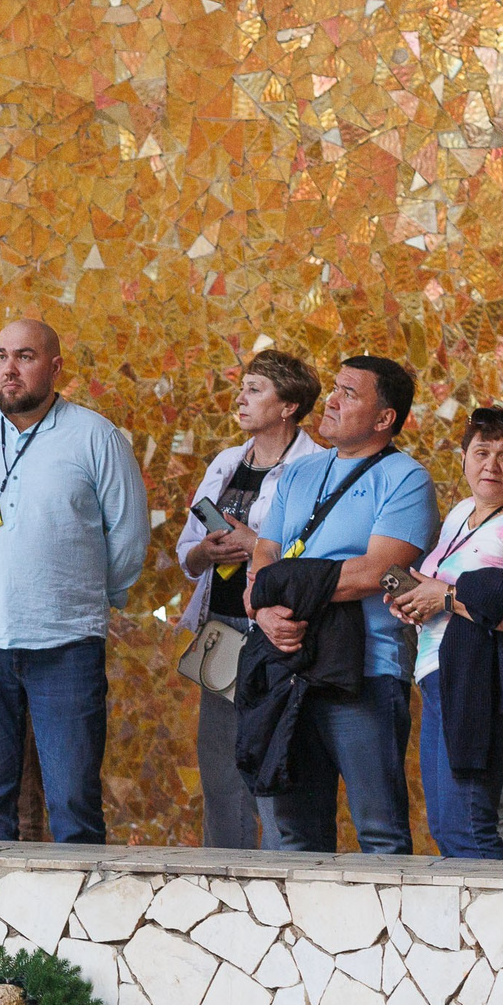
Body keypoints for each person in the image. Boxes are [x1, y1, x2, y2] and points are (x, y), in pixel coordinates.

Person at [0, 320, 149, 844]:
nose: (9, 368)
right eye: (1, 356)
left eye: (25, 356)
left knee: (73, 801)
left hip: (66, 642)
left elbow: (127, 537)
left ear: (55, 367)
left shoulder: (96, 436)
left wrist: (82, 596)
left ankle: (82, 925)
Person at [244, 358, 438, 853]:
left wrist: (278, 588)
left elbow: (376, 573)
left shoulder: (405, 477)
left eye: (348, 393)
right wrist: (264, 612)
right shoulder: (300, 472)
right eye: (334, 389)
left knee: (380, 831)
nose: (330, 400)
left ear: (383, 419)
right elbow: (263, 557)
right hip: (288, 666)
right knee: (292, 834)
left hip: (366, 673)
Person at [389, 407, 503, 858]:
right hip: (443, 675)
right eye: (481, 452)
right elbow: (445, 590)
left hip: (480, 682)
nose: (491, 465)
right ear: (463, 457)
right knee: (448, 825)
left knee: (468, 825)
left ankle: (499, 929)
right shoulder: (463, 512)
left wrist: (442, 598)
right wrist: (417, 600)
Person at [173, 350, 323, 849]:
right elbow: (185, 555)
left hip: (278, 634)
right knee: (219, 771)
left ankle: (283, 879)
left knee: (274, 765)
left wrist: (253, 542)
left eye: (255, 388)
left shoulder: (316, 468)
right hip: (221, 625)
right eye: (243, 386)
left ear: (289, 406)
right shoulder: (225, 462)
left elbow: (316, 557)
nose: (240, 397)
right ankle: (223, 882)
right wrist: (206, 550)